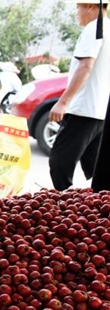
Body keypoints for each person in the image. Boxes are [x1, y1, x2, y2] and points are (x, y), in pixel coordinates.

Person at [48, 0, 108, 191]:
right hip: (100, 111)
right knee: (94, 166)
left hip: (84, 108)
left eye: (77, 7)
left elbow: (85, 65)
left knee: (59, 162)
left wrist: (63, 102)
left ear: (90, 6)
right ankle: (99, 210)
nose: (77, 13)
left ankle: (64, 206)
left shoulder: (94, 28)